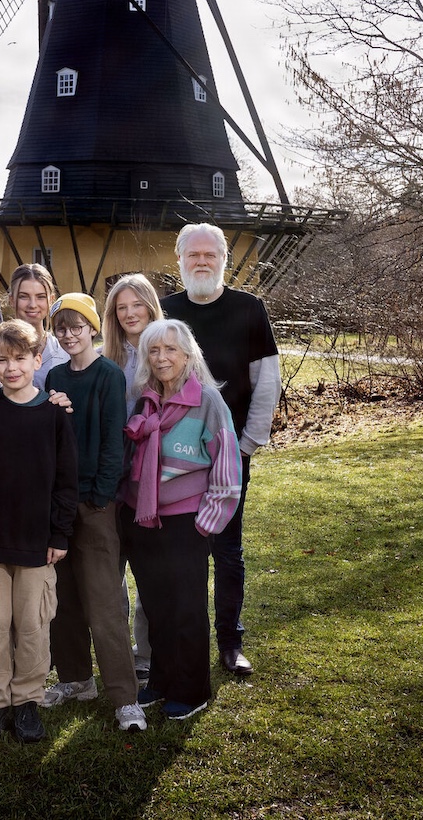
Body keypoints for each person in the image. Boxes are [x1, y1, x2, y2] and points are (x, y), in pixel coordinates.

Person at [160, 223, 279, 678]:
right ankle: (175, 641)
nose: (202, 262)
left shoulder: (250, 309)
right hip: (175, 456)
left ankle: (230, 643)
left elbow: (266, 381)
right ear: (180, 261)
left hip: (230, 455)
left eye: (211, 255)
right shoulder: (165, 310)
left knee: (227, 551)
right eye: (194, 256)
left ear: (225, 261)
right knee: (178, 552)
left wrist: (248, 443)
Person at [0, 320, 78, 743]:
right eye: (2, 360)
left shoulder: (54, 415)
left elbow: (66, 481)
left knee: (33, 627)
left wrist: (60, 534)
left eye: (20, 359)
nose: (11, 368)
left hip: (37, 544)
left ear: (37, 361)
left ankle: (27, 702)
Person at [118, 318, 240, 720]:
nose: (161, 357)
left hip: (186, 522)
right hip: (144, 522)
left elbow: (227, 465)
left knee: (186, 608)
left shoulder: (206, 400)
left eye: (170, 349)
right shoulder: (146, 401)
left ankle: (191, 689)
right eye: (154, 351)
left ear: (188, 355)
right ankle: (162, 679)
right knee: (156, 606)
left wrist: (206, 523)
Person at [41, 293, 145, 732]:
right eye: (61, 328)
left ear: (91, 328)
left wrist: (102, 495)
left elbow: (111, 439)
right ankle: (76, 679)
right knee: (62, 600)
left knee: (103, 601)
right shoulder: (53, 376)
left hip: (96, 504)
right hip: (58, 504)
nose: (68, 335)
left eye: (76, 326)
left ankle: (124, 696)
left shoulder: (108, 375)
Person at [101, 273, 165, 679]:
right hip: (113, 477)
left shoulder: (165, 351)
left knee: (151, 570)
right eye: (120, 308)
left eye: (136, 305)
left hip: (154, 477)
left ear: (150, 306)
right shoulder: (106, 357)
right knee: (113, 573)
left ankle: (148, 654)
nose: (128, 314)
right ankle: (120, 658)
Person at [7, 262, 67, 387]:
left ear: (51, 300)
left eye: (40, 297)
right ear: (12, 300)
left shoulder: (64, 354)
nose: (33, 304)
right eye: (24, 297)